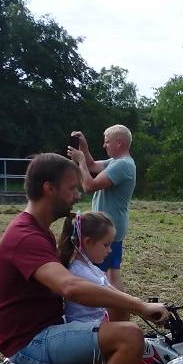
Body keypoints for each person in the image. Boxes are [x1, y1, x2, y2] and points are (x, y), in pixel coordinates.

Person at [0, 152, 167, 364]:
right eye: (71, 188)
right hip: (32, 342)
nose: (78, 194)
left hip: (44, 331)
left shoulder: (39, 231)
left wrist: (126, 305)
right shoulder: (25, 236)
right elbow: (70, 287)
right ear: (49, 188)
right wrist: (139, 306)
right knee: (129, 336)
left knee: (123, 326)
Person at [67, 125, 136, 313]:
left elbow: (89, 186)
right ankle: (118, 314)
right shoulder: (117, 162)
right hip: (112, 226)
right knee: (112, 273)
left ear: (119, 142)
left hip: (107, 229)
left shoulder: (122, 165)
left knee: (107, 275)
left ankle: (115, 314)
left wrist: (80, 161)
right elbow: (92, 166)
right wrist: (84, 147)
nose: (104, 145)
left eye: (107, 141)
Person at [56, 210, 117, 325]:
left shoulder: (91, 269)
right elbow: (114, 298)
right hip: (85, 330)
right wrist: (140, 307)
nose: (109, 250)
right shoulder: (81, 273)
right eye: (106, 245)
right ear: (88, 242)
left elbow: (112, 291)